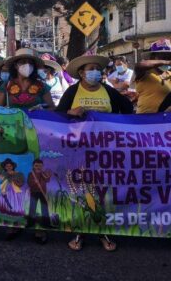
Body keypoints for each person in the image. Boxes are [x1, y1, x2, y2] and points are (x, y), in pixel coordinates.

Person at [56, 54, 133, 251]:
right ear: (81, 73)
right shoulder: (73, 91)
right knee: (81, 190)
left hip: (104, 151)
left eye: (98, 69)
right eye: (91, 69)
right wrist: (70, 114)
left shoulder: (108, 90)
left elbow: (127, 110)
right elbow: (57, 116)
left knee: (103, 191)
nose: (95, 72)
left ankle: (103, 232)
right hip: (78, 150)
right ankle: (80, 231)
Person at [134, 39, 171, 114]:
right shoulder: (146, 73)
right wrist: (166, 62)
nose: (166, 58)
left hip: (164, 121)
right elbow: (140, 65)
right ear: (152, 57)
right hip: (145, 120)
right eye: (162, 56)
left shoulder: (169, 74)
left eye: (169, 56)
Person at [26, 159, 52, 244]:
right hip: (34, 192)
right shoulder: (31, 174)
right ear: (33, 166)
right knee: (32, 207)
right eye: (36, 166)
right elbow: (30, 183)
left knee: (44, 207)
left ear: (42, 166)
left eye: (40, 166)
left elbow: (47, 180)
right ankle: (30, 222)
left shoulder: (43, 173)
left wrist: (48, 176)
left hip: (42, 193)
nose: (38, 167)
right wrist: (35, 182)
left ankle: (47, 223)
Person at [0, 159, 25, 230]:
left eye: (10, 166)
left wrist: (14, 176)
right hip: (5, 192)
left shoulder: (17, 173)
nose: (8, 167)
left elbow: (21, 181)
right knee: (5, 207)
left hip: (14, 193)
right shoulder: (2, 174)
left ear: (12, 166)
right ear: (5, 167)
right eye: (7, 166)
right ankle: (5, 223)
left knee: (15, 207)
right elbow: (0, 177)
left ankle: (16, 224)